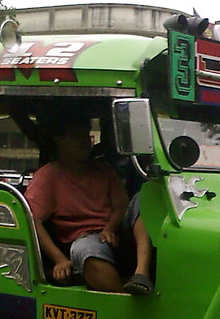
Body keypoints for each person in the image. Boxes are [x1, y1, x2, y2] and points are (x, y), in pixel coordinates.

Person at [25, 114, 152, 295]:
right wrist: (59, 259)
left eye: (86, 136)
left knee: (144, 196)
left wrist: (109, 228)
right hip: (86, 239)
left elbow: (121, 205)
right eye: (76, 136)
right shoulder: (47, 177)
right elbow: (33, 221)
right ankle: (124, 301)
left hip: (117, 232)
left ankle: (141, 274)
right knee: (85, 250)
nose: (85, 142)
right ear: (59, 141)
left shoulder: (104, 170)